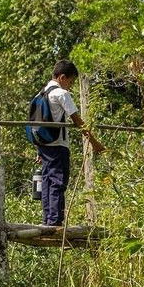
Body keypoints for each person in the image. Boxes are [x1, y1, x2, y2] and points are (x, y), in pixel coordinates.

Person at [35, 59, 105, 226]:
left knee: (47, 181)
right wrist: (94, 142)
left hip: (44, 145)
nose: (70, 86)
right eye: (71, 81)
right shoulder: (61, 94)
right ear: (62, 77)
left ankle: (48, 219)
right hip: (58, 145)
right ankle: (55, 222)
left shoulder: (41, 93)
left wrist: (38, 149)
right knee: (58, 181)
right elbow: (77, 120)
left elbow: (35, 123)